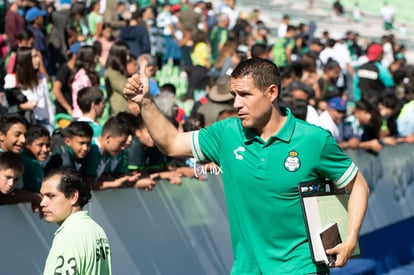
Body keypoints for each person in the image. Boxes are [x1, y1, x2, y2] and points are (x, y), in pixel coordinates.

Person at [124, 57, 370, 273]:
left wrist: (350, 238)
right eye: (234, 95)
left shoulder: (314, 139)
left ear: (271, 93)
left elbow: (358, 185)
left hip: (300, 268)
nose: (236, 104)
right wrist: (145, 102)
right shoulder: (227, 133)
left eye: (245, 94)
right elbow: (172, 143)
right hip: (245, 269)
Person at [40, 168, 112, 275]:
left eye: (51, 196)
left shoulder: (69, 234)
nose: (42, 203)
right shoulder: (97, 230)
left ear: (73, 196)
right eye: (42, 196)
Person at [21, 124, 51, 192]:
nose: (45, 149)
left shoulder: (23, 158)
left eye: (48, 145)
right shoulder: (32, 164)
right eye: (40, 145)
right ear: (27, 145)